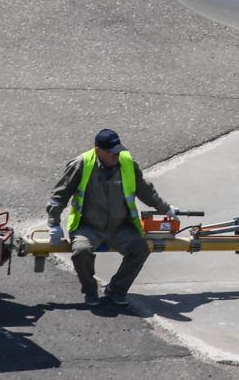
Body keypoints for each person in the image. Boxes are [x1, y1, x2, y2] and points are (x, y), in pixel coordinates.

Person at [46, 129, 172, 308]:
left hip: (119, 227)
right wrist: (54, 224)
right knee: (81, 252)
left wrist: (165, 208)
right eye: (112, 152)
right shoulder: (81, 165)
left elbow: (145, 191)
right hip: (88, 227)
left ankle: (117, 289)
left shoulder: (127, 163)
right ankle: (90, 289)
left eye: (118, 151)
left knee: (140, 250)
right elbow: (59, 196)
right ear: (98, 150)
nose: (116, 155)